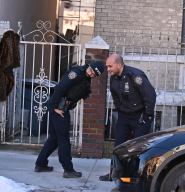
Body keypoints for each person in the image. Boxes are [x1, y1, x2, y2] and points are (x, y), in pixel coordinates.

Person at [35, 60, 105, 178]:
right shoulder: (77, 73)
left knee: (54, 138)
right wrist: (53, 108)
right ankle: (68, 170)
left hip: (63, 108)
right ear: (89, 66)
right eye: (92, 71)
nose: (92, 75)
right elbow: (60, 88)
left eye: (95, 75)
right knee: (64, 140)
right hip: (59, 109)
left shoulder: (86, 76)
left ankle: (40, 164)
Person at [99, 53, 156, 182]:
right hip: (124, 116)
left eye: (110, 66)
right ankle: (114, 174)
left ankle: (134, 177)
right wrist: (120, 111)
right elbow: (115, 96)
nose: (108, 69)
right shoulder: (114, 78)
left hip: (139, 116)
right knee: (119, 146)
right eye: (107, 66)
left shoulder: (135, 76)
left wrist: (147, 116)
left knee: (138, 148)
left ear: (119, 65)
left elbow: (150, 95)